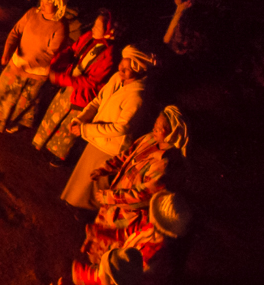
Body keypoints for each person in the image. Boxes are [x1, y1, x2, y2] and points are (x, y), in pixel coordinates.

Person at [79, 106, 188, 253]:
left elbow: (143, 194)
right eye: (155, 125)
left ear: (172, 134)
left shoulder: (165, 165)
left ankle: (107, 270)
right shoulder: (149, 139)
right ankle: (93, 260)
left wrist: (110, 196)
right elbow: (127, 155)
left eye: (159, 128)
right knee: (99, 234)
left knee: (112, 242)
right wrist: (105, 168)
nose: (154, 129)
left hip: (129, 213)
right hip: (114, 201)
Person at [60, 46, 157, 211]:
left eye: (127, 68)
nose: (122, 69)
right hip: (97, 137)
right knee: (83, 177)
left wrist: (85, 129)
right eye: (122, 65)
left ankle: (89, 212)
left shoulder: (137, 96)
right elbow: (98, 100)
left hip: (111, 147)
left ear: (139, 70)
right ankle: (72, 203)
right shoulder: (116, 79)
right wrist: (81, 119)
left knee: (96, 182)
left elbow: (122, 127)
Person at [32, 10, 117, 164]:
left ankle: (58, 156)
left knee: (68, 127)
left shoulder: (108, 55)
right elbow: (72, 50)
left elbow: (92, 81)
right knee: (54, 114)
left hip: (83, 95)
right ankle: (41, 143)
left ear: (108, 30)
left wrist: (62, 78)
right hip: (68, 85)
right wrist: (57, 61)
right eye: (95, 25)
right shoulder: (89, 37)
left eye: (99, 27)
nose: (94, 29)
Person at [74, 190, 191, 285]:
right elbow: (130, 233)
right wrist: (106, 233)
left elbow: (124, 279)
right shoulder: (150, 229)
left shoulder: (152, 257)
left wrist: (88, 276)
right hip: (122, 268)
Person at [0, 0, 69, 133]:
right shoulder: (32, 14)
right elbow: (16, 32)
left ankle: (13, 124)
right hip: (17, 62)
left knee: (22, 103)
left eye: (48, 2)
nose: (43, 4)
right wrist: (7, 52)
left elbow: (50, 53)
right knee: (3, 93)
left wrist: (27, 64)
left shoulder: (60, 26)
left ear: (58, 4)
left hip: (35, 74)